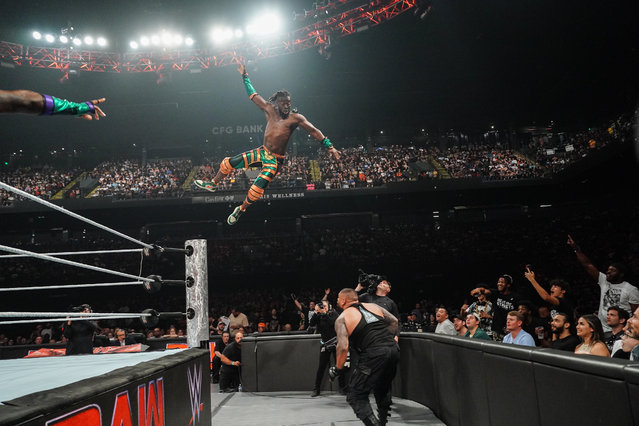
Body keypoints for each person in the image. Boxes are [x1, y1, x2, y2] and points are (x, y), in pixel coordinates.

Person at [194, 62, 341, 225]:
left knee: (256, 189)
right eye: (284, 103)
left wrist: (330, 146)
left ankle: (240, 209)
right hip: (262, 152)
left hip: (275, 160)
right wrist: (244, 75)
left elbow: (314, 130)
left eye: (289, 102)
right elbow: (253, 95)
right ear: (277, 103)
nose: (287, 105)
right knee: (228, 163)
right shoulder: (269, 110)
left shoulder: (296, 118)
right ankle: (213, 183)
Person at [331, 288, 399, 426]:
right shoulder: (373, 306)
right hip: (393, 349)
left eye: (338, 298)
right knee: (382, 387)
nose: (337, 300)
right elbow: (394, 321)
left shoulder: (342, 318)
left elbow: (343, 347)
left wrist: (338, 369)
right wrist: (384, 339)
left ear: (343, 300)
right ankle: (383, 422)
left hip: (374, 354)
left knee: (355, 395)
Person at [567, 235, 639, 332]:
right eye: (608, 270)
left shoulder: (631, 289)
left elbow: (636, 313)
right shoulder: (604, 281)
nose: (608, 272)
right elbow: (587, 265)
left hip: (621, 331)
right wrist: (576, 249)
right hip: (602, 329)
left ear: (621, 274)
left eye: (613, 270)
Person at [309, 300, 345, 397]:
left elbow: (333, 323)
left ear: (328, 306)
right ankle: (316, 389)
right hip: (325, 343)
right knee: (321, 367)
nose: (323, 307)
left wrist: (324, 313)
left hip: (336, 342)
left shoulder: (333, 313)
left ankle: (343, 387)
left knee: (339, 365)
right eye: (321, 306)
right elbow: (311, 324)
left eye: (324, 306)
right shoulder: (318, 315)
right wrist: (316, 313)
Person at [0, 89, 106, 120]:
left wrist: (74, 108)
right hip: (50, 107)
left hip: (49, 107)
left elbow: (21, 102)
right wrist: (75, 108)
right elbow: (21, 102)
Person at [488, 274, 520, 340]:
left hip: (509, 331)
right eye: (498, 282)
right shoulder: (496, 294)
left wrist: (512, 327)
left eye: (502, 282)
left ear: (508, 285)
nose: (499, 284)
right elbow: (486, 291)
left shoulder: (515, 297)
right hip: (496, 330)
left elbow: (518, 314)